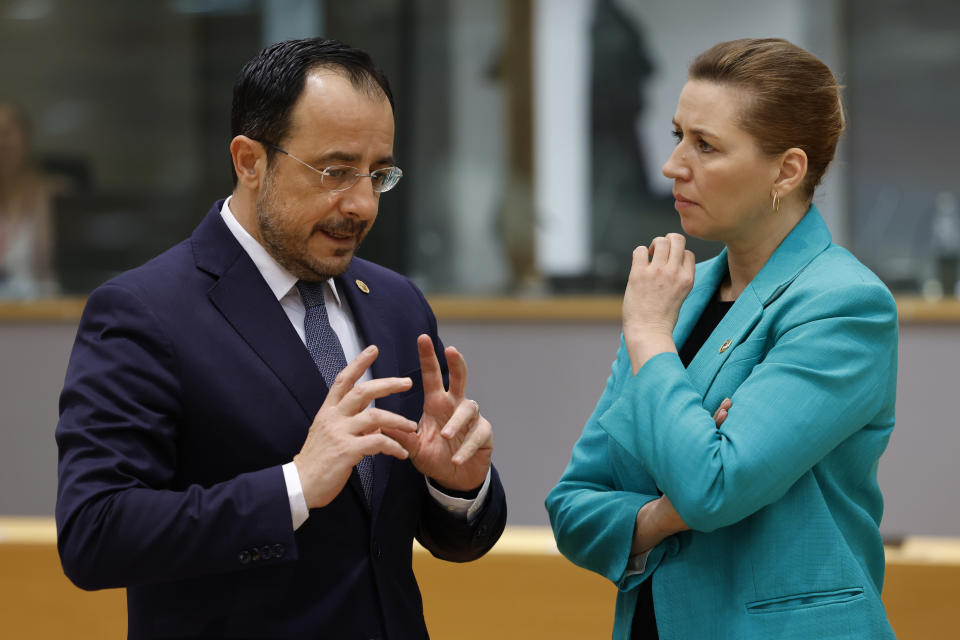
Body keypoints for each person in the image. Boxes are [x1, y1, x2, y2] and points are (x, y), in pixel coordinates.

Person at [56, 38, 507, 639]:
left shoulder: (398, 304)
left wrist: (458, 487)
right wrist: (293, 486)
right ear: (249, 161)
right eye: (336, 171)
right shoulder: (144, 312)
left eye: (379, 174)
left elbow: (412, 543)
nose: (363, 204)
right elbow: (95, 532)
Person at [546, 38, 898, 639]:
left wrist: (650, 336)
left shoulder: (843, 304)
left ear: (786, 170)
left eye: (705, 145)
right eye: (677, 134)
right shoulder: (676, 295)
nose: (673, 165)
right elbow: (573, 507)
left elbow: (710, 489)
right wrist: (660, 516)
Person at [0, 100, 57, 298]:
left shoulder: (52, 195)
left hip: (42, 314)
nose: (2, 142)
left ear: (25, 138)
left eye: (7, 132)